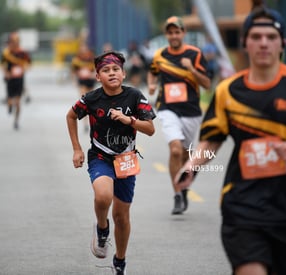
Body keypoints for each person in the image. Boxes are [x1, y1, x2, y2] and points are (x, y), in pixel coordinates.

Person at [177, 7, 286, 275]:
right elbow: (212, 140)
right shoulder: (227, 91)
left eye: (270, 36)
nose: (263, 43)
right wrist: (192, 166)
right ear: (245, 42)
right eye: (256, 36)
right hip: (243, 204)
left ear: (283, 44)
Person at [66, 50, 156, 274]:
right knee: (103, 195)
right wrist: (77, 148)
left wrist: (129, 120)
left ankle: (120, 260)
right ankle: (102, 228)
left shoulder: (135, 96)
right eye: (105, 70)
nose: (111, 73)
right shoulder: (91, 98)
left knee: (122, 216)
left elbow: (151, 129)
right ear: (98, 77)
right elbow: (70, 115)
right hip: (100, 157)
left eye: (116, 69)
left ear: (124, 74)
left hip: (126, 159)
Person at [147, 16, 211, 215]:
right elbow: (153, 72)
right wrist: (151, 84)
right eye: (170, 32)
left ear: (183, 33)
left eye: (177, 32)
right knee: (175, 150)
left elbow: (207, 84)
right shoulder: (159, 55)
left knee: (186, 154)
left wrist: (191, 69)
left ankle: (184, 183)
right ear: (166, 34)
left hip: (191, 111)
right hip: (167, 108)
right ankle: (177, 194)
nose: (173, 36)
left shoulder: (195, 54)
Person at [0, 31, 31, 130]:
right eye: (12, 41)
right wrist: (6, 73)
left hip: (19, 80)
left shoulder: (23, 52)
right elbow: (2, 65)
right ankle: (9, 106)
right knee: (10, 101)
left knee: (17, 103)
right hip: (10, 80)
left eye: (16, 41)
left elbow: (29, 63)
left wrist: (25, 68)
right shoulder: (6, 53)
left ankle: (16, 121)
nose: (14, 43)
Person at [70, 43, 97, 132]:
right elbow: (73, 71)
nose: (83, 51)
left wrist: (93, 75)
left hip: (90, 81)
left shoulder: (92, 58)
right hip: (82, 81)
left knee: (92, 102)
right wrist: (74, 80)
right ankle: (85, 124)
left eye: (84, 49)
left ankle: (92, 123)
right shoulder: (77, 59)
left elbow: (97, 70)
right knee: (84, 101)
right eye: (82, 49)